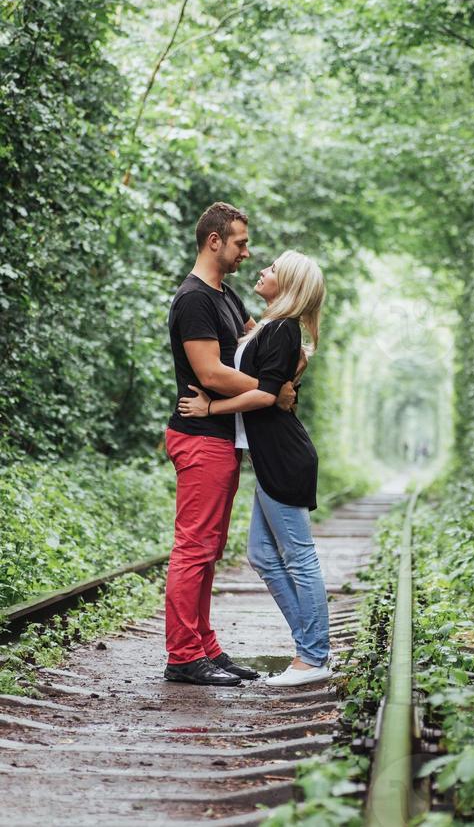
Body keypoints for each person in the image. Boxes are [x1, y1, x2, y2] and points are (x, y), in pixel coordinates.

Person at [178, 250, 331, 687]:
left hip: (282, 455)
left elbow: (266, 396)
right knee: (262, 555)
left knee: (299, 557)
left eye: (273, 270)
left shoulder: (282, 329)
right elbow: (271, 377)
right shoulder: (271, 327)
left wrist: (211, 408)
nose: (262, 271)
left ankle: (313, 656)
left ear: (289, 285)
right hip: (269, 454)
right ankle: (308, 648)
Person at [164, 202, 297, 687]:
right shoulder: (195, 299)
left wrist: (288, 361)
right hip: (199, 437)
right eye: (241, 242)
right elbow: (211, 373)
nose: (247, 250)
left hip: (220, 439)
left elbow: (259, 341)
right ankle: (182, 656)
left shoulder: (227, 296)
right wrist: (269, 389)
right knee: (194, 548)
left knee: (208, 548)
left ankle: (204, 648)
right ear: (214, 241)